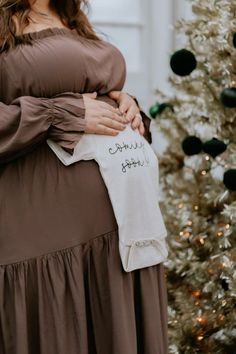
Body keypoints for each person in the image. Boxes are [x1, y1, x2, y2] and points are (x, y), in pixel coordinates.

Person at [0, 1, 169, 353]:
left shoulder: (71, 15)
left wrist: (123, 106)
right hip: (47, 235)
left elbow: (82, 93)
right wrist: (57, 114)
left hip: (121, 233)